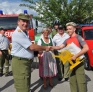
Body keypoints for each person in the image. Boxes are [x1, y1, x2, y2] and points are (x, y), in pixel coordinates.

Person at [11, 13, 50, 92]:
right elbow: (32, 47)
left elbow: (29, 47)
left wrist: (36, 52)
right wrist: (46, 47)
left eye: (27, 22)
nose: (25, 24)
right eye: (23, 21)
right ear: (18, 22)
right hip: (20, 63)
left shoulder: (24, 33)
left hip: (24, 62)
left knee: (26, 83)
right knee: (22, 87)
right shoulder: (18, 33)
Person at [51, 22, 89, 92]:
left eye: (70, 29)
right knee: (72, 81)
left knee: (81, 81)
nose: (68, 30)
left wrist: (76, 56)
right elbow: (59, 47)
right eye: (67, 29)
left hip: (79, 62)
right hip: (71, 63)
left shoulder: (78, 37)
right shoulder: (67, 39)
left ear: (74, 29)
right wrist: (50, 47)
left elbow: (86, 48)